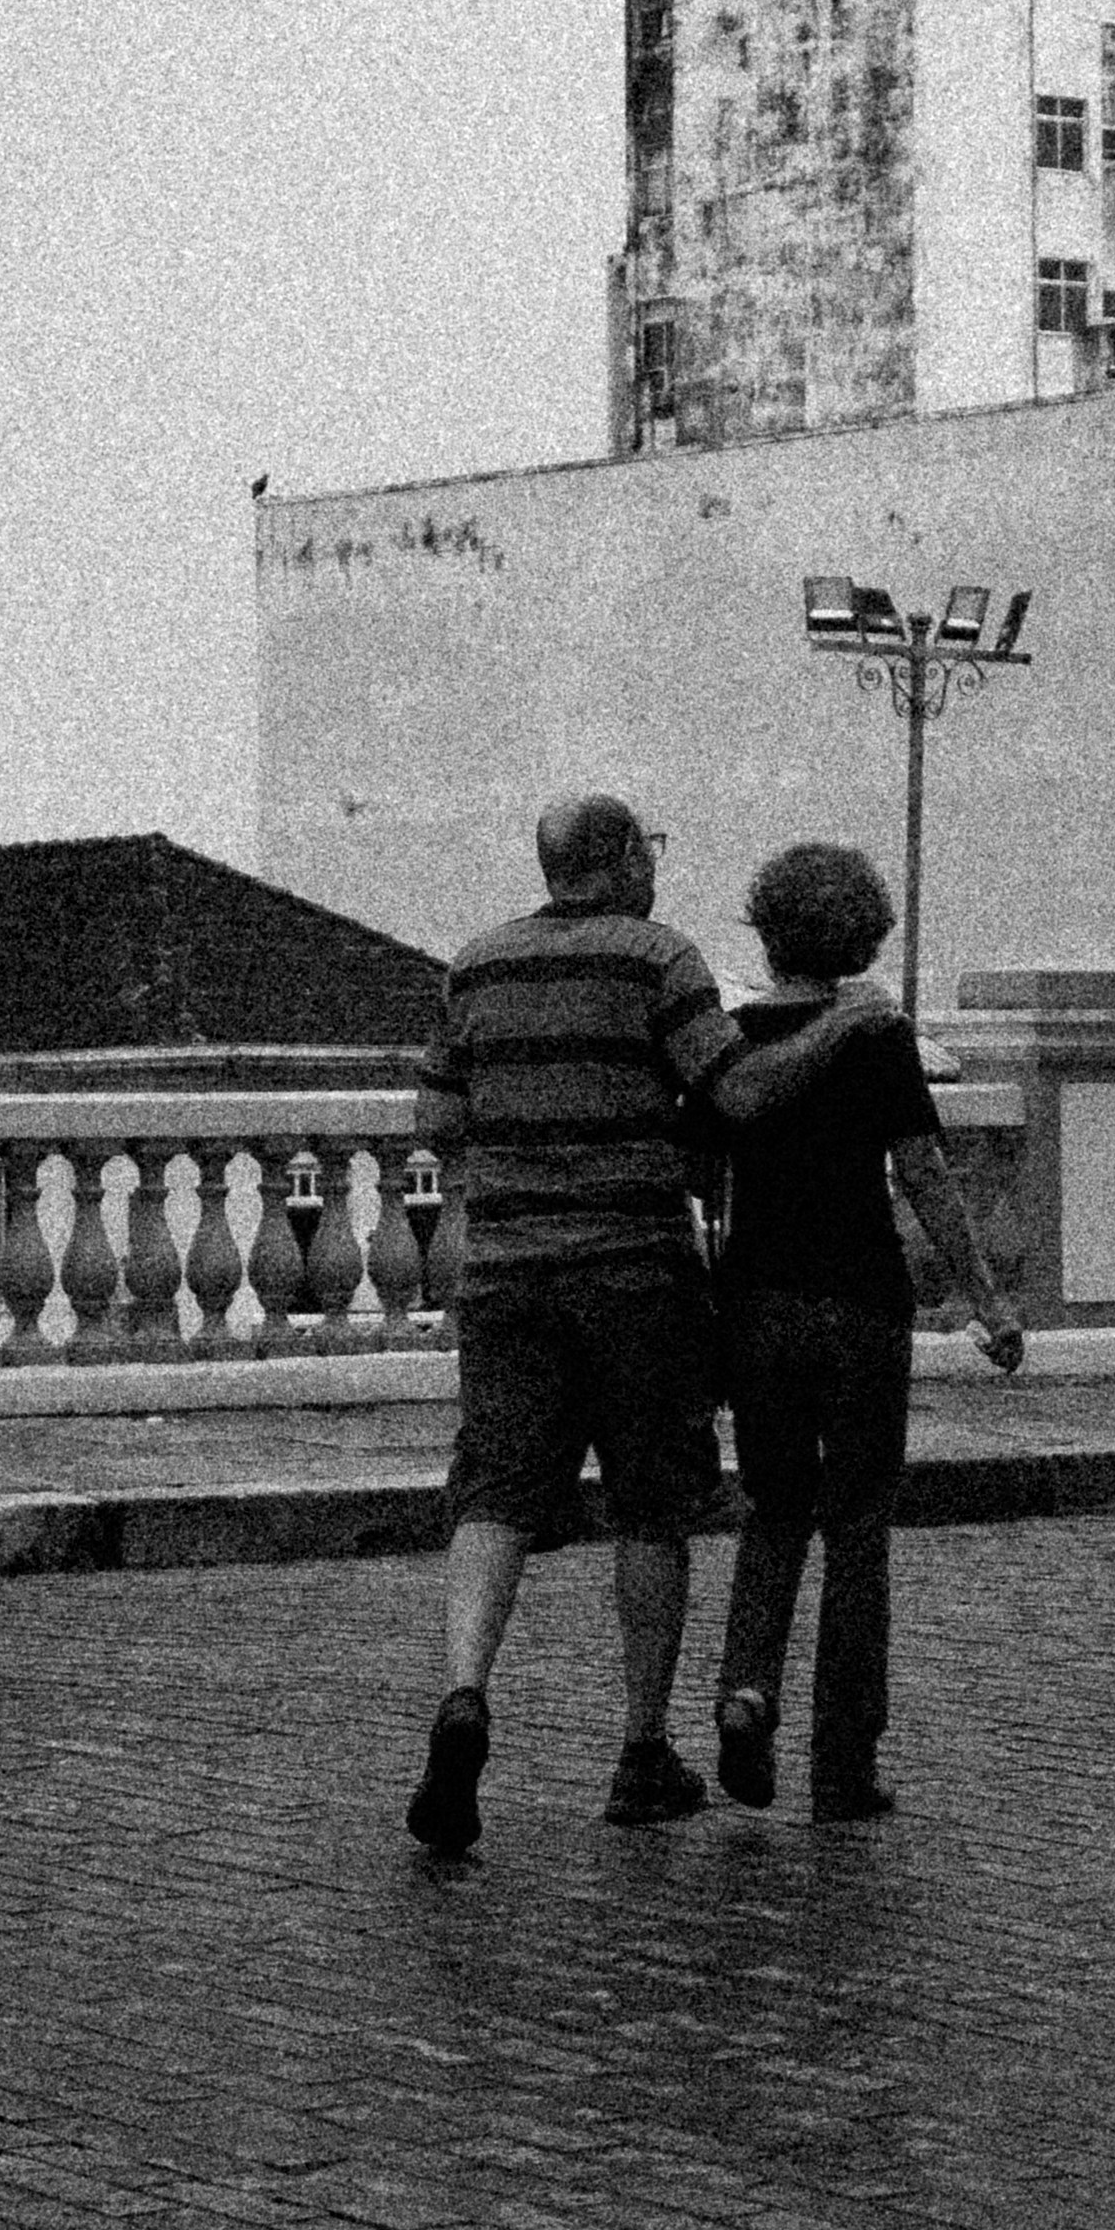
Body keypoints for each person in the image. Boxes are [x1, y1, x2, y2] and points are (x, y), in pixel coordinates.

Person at [404, 789, 864, 1857]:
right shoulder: (661, 960)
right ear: (618, 860)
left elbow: (436, 1118)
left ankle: (464, 1695)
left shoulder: (476, 965)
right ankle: (642, 1751)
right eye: (647, 848)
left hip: (507, 1277)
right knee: (651, 1509)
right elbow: (740, 1095)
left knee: (494, 1494)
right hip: (636, 1280)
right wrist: (842, 1029)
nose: (655, 865)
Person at [707, 838, 1023, 1823]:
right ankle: (842, 1762)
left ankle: (746, 1688)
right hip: (858, 1302)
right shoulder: (876, 1034)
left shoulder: (735, 1038)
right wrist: (985, 1297)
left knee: (772, 1508)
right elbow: (925, 1175)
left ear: (768, 930)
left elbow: (707, 1177)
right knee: (855, 1527)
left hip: (758, 1300)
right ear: (864, 936)